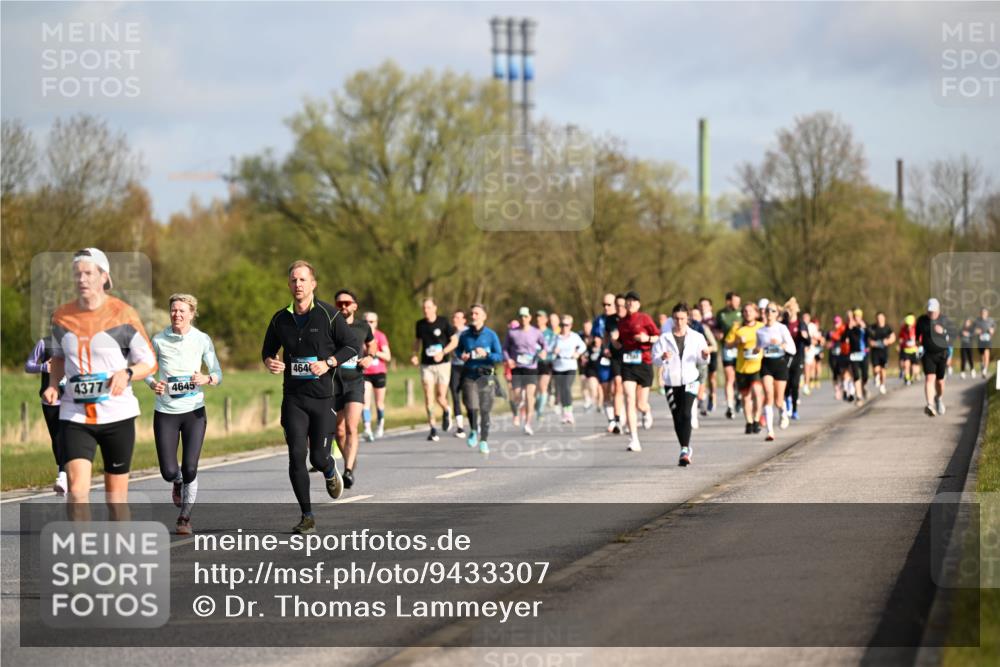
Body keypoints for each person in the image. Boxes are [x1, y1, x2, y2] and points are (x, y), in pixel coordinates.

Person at [44, 248, 156, 517]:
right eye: (77, 274)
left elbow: (149, 362)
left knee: (115, 501)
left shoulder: (123, 314)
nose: (82, 279)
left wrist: (127, 373)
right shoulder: (61, 316)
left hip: (117, 414)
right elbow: (57, 358)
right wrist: (51, 384)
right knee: (77, 491)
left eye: (88, 273)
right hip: (75, 414)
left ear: (104, 277)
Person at [262, 260, 360, 534]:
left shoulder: (329, 315)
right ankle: (307, 516)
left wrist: (329, 362)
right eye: (293, 280)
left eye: (303, 280)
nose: (298, 285)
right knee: (296, 456)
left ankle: (329, 470)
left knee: (318, 457)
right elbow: (268, 351)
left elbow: (351, 346)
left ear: (313, 284)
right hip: (293, 397)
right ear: (289, 284)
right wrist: (270, 362)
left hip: (322, 398)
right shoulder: (280, 318)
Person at [147, 293, 222, 535]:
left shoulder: (202, 339)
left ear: (191, 313)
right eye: (173, 310)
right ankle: (176, 481)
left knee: (191, 467)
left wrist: (206, 378)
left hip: (194, 412)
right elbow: (146, 369)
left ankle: (184, 518)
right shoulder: (158, 339)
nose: (177, 314)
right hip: (166, 412)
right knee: (169, 471)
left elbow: (217, 374)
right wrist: (152, 383)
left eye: (182, 311)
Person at [653, 303, 711, 465]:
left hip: (691, 380)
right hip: (671, 382)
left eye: (683, 319)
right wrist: (662, 357)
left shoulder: (696, 337)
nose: (679, 322)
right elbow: (655, 360)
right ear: (672, 319)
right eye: (676, 319)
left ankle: (685, 449)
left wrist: (705, 355)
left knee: (686, 413)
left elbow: (703, 360)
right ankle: (684, 447)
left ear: (688, 319)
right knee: (677, 416)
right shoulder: (664, 338)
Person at [333, 290, 374, 491]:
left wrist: (369, 358)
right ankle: (350, 459)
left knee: (351, 427)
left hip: (355, 381)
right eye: (339, 303)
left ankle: (348, 471)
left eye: (347, 303)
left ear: (355, 306)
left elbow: (371, 345)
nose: (343, 307)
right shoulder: (329, 326)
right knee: (338, 431)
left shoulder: (363, 327)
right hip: (334, 383)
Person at [614, 291, 660, 452]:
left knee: (640, 404)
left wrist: (646, 339)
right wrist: (614, 342)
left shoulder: (645, 318)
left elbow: (658, 336)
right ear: (625, 304)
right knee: (629, 398)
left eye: (633, 301)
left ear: (638, 304)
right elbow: (620, 343)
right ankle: (634, 438)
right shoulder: (622, 322)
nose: (630, 304)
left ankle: (646, 411)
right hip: (628, 365)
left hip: (644, 363)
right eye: (628, 301)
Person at [458, 304, 503, 454]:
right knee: (471, 405)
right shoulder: (465, 335)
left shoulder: (491, 335)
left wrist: (487, 354)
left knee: (485, 410)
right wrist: (461, 355)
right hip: (470, 375)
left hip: (486, 375)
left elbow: (499, 356)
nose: (473, 316)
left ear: (484, 316)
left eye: (477, 314)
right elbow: (459, 351)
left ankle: (483, 440)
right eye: (472, 314)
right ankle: (473, 430)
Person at [411, 298, 458, 442]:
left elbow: (454, 341)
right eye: (424, 308)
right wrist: (414, 354)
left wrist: (443, 352)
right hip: (427, 365)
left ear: (435, 308)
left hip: (443, 364)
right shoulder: (420, 324)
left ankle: (446, 410)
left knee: (440, 397)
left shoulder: (443, 322)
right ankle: (432, 428)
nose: (426, 310)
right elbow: (417, 341)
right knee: (428, 396)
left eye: (429, 307)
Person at [25, 337, 66, 494]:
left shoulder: (73, 343)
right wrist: (43, 367)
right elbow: (28, 366)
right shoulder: (44, 343)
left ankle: (63, 475)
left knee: (66, 436)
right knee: (56, 438)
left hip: (69, 398)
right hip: (50, 400)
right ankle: (61, 469)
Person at [756, 302, 797, 440]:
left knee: (778, 401)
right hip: (766, 364)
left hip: (780, 364)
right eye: (767, 310)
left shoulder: (782, 328)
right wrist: (757, 350)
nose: (769, 313)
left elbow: (792, 349)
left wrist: (780, 344)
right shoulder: (760, 331)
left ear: (776, 314)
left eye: (772, 311)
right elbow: (758, 347)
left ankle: (783, 412)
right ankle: (770, 431)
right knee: (768, 395)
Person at [504, 307, 545, 435]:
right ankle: (519, 401)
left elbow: (544, 346)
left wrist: (543, 353)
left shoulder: (536, 332)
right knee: (516, 395)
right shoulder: (512, 333)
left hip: (531, 368)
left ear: (529, 318)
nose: (523, 319)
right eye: (521, 316)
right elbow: (504, 348)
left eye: (526, 316)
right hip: (517, 367)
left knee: (529, 396)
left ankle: (528, 423)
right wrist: (508, 359)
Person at [725, 302, 764, 435]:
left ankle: (757, 419)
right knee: (745, 397)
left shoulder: (761, 327)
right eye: (746, 311)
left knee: (757, 392)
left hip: (757, 366)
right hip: (742, 367)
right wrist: (736, 342)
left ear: (756, 313)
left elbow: (768, 341)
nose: (748, 314)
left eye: (751, 311)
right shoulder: (737, 327)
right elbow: (727, 345)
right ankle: (749, 422)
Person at [549, 315, 587, 424]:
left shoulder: (574, 336)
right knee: (561, 390)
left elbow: (583, 346)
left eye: (566, 325)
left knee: (566, 387)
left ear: (570, 325)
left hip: (570, 366)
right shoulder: (556, 337)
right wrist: (554, 351)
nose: (564, 327)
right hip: (558, 366)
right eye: (562, 325)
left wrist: (577, 353)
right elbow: (548, 349)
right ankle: (565, 413)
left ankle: (569, 412)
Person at [917, 298, 951, 417]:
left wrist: (943, 332)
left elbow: (953, 336)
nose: (932, 314)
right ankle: (930, 405)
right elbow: (918, 337)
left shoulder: (944, 320)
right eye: (930, 311)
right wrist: (919, 348)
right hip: (928, 354)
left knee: (940, 382)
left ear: (938, 310)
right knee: (929, 378)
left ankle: (939, 398)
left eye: (934, 312)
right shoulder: (921, 321)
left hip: (942, 354)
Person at [362, 311, 391, 441]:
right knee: (365, 402)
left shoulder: (380, 336)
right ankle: (367, 428)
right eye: (366, 321)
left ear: (376, 323)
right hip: (365, 373)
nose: (369, 324)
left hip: (379, 372)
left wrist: (373, 351)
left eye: (372, 321)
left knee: (379, 403)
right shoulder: (359, 335)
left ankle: (380, 425)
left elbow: (388, 356)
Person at [717, 292, 743, 419]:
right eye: (734, 301)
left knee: (739, 377)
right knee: (730, 377)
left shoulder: (743, 313)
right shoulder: (721, 314)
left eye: (738, 301)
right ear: (728, 301)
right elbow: (716, 328)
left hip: (740, 349)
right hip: (727, 348)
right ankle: (730, 406)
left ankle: (739, 396)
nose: (737, 303)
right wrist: (718, 334)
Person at [781, 298, 808, 419]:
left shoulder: (802, 324)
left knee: (795, 383)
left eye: (793, 309)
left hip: (798, 357)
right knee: (786, 382)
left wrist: (804, 337)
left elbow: (808, 342)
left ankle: (795, 410)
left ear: (797, 310)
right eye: (789, 310)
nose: (791, 312)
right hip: (786, 357)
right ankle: (787, 400)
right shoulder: (783, 325)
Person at [698, 297, 720, 413]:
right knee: (701, 376)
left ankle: (713, 396)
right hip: (700, 353)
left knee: (712, 377)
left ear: (710, 307)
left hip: (713, 351)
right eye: (701, 305)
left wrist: (718, 334)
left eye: (705, 305)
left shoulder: (714, 320)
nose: (703, 307)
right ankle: (702, 396)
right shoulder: (696, 320)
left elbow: (720, 333)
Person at [448, 310, 468, 437]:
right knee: (455, 394)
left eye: (459, 317)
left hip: (467, 367)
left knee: (467, 397)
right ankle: (460, 427)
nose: (456, 319)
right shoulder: (450, 332)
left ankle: (472, 421)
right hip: (455, 366)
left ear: (464, 320)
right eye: (454, 317)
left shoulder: (468, 332)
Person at [845, 308, 870, 406]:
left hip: (864, 354)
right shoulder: (850, 327)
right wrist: (849, 328)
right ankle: (859, 397)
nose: (857, 318)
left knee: (865, 375)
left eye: (859, 316)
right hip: (854, 354)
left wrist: (864, 328)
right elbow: (844, 338)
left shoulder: (864, 325)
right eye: (855, 317)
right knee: (856, 375)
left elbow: (871, 335)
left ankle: (863, 387)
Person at [534, 310, 556, 418]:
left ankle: (540, 411)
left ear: (546, 320)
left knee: (543, 386)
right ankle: (537, 404)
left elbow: (554, 349)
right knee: (534, 388)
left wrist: (547, 355)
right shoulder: (532, 332)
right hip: (533, 363)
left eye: (541, 317)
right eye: (537, 317)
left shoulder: (550, 334)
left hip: (546, 363)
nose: (538, 319)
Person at [868, 312, 896, 394]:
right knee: (876, 369)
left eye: (881, 318)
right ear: (876, 319)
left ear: (884, 318)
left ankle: (882, 385)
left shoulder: (887, 328)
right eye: (878, 318)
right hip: (875, 352)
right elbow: (868, 338)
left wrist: (888, 341)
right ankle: (876, 377)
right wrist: (871, 342)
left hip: (884, 352)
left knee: (883, 370)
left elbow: (893, 337)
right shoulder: (872, 328)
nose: (880, 320)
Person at [973, 308, 995, 378]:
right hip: (980, 341)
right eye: (982, 313)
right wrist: (977, 331)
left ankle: (985, 370)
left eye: (985, 313)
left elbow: (993, 329)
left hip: (987, 340)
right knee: (982, 356)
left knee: (986, 353)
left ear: (987, 314)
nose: (983, 314)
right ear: (980, 313)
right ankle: (983, 365)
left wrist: (991, 331)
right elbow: (974, 330)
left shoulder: (991, 321)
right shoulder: (977, 321)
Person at [898, 314, 919, 386]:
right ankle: (907, 379)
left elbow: (920, 339)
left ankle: (912, 377)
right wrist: (901, 343)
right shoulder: (903, 329)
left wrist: (918, 346)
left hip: (914, 351)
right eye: (907, 325)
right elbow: (900, 338)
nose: (909, 326)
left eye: (910, 325)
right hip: (906, 350)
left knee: (914, 368)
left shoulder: (916, 329)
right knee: (906, 365)